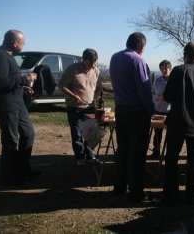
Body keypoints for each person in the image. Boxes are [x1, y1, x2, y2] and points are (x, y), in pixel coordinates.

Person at [163, 41, 194, 205]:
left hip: (178, 121)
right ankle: (192, 196)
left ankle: (171, 194)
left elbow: (168, 96)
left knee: (171, 159)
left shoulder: (178, 71)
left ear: (185, 55)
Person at [109, 32, 155, 202]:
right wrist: (151, 110)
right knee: (137, 153)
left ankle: (120, 185)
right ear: (141, 47)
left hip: (120, 109)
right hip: (136, 112)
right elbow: (144, 91)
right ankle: (137, 192)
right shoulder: (138, 61)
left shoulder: (114, 58)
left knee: (123, 149)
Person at [0, 30, 39, 185]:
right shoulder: (0, 57)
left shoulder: (8, 56)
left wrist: (23, 87)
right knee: (11, 141)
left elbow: (11, 81)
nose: (23, 45)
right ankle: (8, 176)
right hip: (8, 106)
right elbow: (1, 83)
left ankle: (22, 168)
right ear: (14, 42)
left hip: (18, 104)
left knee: (28, 134)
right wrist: (25, 79)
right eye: (22, 42)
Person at [58, 48, 103, 166]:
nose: (93, 64)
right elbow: (62, 85)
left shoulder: (96, 71)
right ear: (83, 59)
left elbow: (98, 88)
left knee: (91, 133)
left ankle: (90, 155)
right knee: (77, 133)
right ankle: (80, 157)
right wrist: (73, 96)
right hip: (74, 107)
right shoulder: (72, 69)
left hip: (90, 107)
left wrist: (96, 98)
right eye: (90, 62)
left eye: (95, 62)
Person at [150, 60, 172, 159]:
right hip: (158, 110)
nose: (164, 70)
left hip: (170, 111)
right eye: (162, 68)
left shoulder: (174, 81)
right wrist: (157, 98)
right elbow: (152, 93)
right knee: (157, 134)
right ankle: (156, 152)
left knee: (170, 135)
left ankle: (169, 154)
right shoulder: (157, 80)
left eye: (166, 68)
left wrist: (167, 98)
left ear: (170, 69)